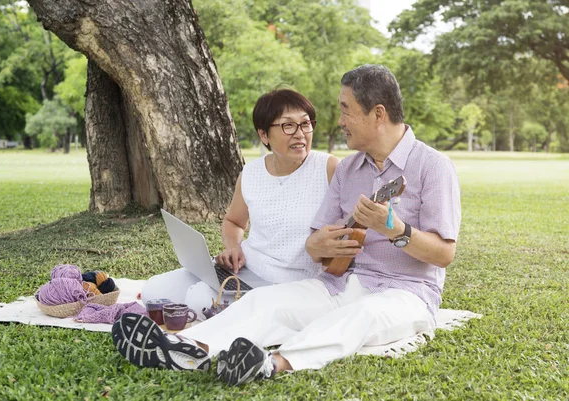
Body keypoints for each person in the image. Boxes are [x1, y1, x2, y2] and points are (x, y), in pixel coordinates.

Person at [112, 64, 461, 385]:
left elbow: (444, 254)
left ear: (378, 114)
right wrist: (322, 246)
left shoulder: (432, 167)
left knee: (361, 316)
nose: (339, 120)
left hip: (406, 293)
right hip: (341, 283)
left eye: (345, 109)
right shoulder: (350, 170)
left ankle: (271, 363)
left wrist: (396, 231)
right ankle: (185, 347)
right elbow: (314, 244)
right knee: (266, 302)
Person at [140, 88, 339, 317]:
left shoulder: (329, 168)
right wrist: (233, 247)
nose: (300, 133)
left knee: (198, 300)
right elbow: (234, 221)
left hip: (287, 282)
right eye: (288, 125)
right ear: (264, 135)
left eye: (305, 124)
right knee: (153, 291)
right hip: (243, 269)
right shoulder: (252, 172)